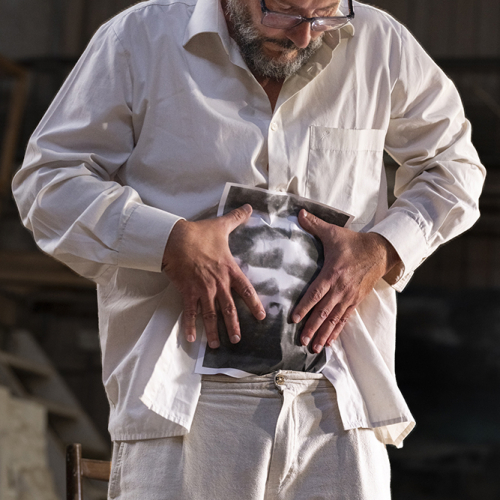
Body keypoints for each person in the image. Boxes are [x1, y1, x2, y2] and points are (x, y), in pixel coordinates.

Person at [12, 0, 485, 497]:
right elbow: (48, 183)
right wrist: (167, 241)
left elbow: (454, 168)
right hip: (186, 399)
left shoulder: (379, 42)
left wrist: (384, 248)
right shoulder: (139, 39)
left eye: (323, 14)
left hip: (340, 399)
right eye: (284, 13)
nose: (305, 35)